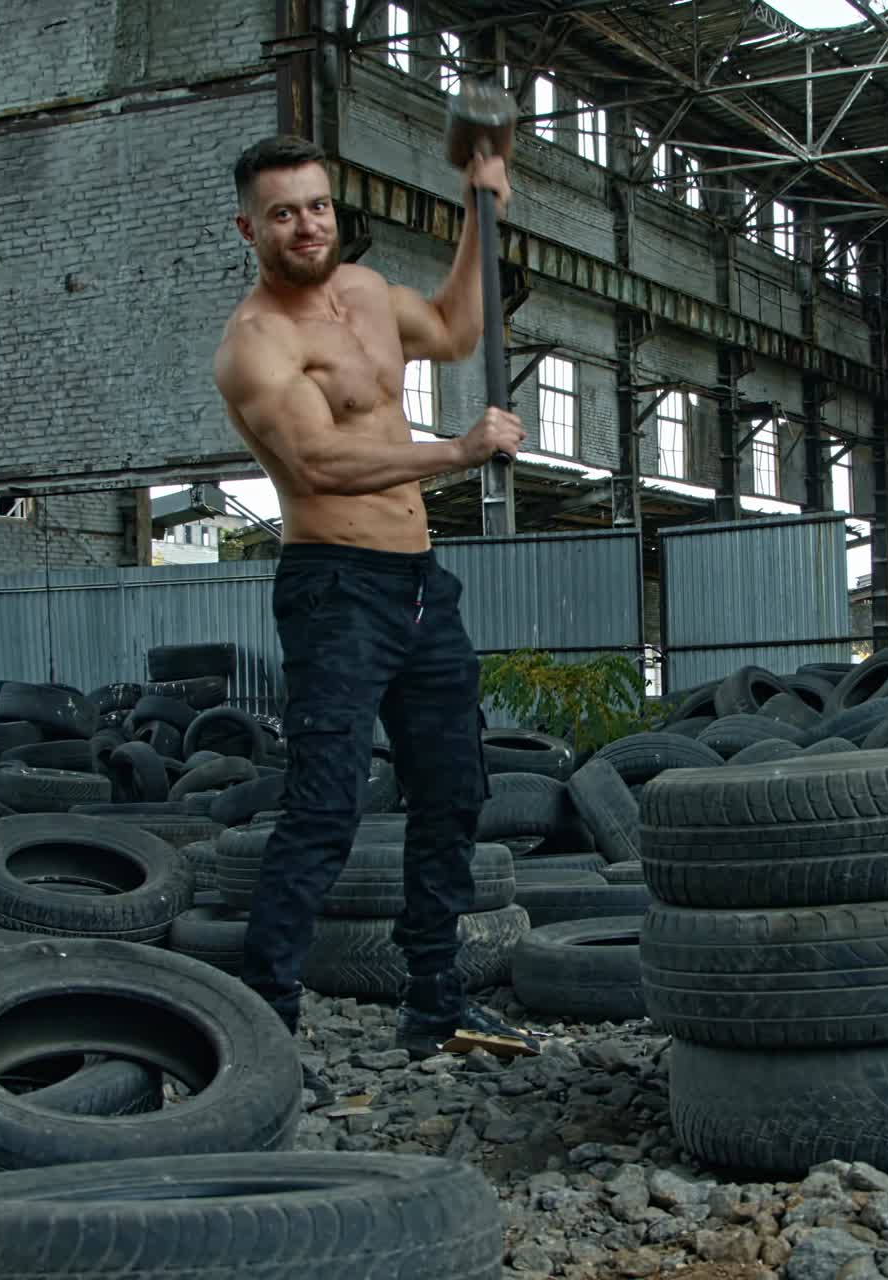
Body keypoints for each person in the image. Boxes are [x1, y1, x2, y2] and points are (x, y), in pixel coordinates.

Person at [212, 134, 536, 1097]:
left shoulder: (366, 292)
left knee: (453, 793)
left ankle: (435, 1002)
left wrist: (484, 214)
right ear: (249, 227)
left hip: (421, 585)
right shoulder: (257, 344)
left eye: (316, 206)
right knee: (323, 807)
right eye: (282, 212)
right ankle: (263, 1033)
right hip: (334, 588)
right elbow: (317, 465)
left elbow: (453, 328)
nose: (305, 225)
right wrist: (455, 452)